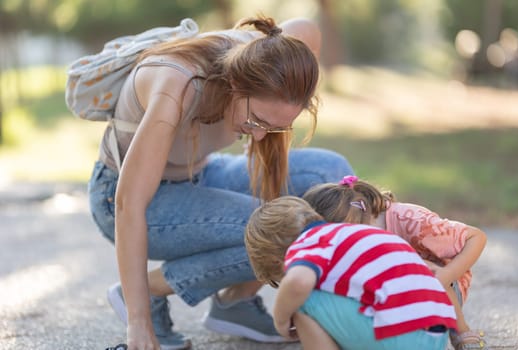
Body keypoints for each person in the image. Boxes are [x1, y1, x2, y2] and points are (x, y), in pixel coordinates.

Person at [87, 13, 354, 350]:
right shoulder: (176, 86)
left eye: (273, 128)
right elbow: (129, 205)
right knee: (286, 229)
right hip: (126, 199)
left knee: (331, 175)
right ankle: (143, 293)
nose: (258, 137)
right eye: (256, 120)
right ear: (234, 86)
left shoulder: (273, 51)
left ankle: (235, 303)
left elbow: (307, 28)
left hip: (199, 171)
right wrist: (138, 325)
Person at [244, 195, 458, 350]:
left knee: (301, 300)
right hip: (434, 338)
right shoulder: (350, 234)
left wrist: (281, 319)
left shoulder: (308, 243)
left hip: (402, 337)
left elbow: (298, 282)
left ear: (276, 258)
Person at [302, 175, 489, 350]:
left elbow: (476, 237)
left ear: (353, 221)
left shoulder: (413, 221)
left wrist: (446, 275)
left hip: (440, 286)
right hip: (392, 291)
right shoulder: (357, 233)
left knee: (415, 264)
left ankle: (461, 329)